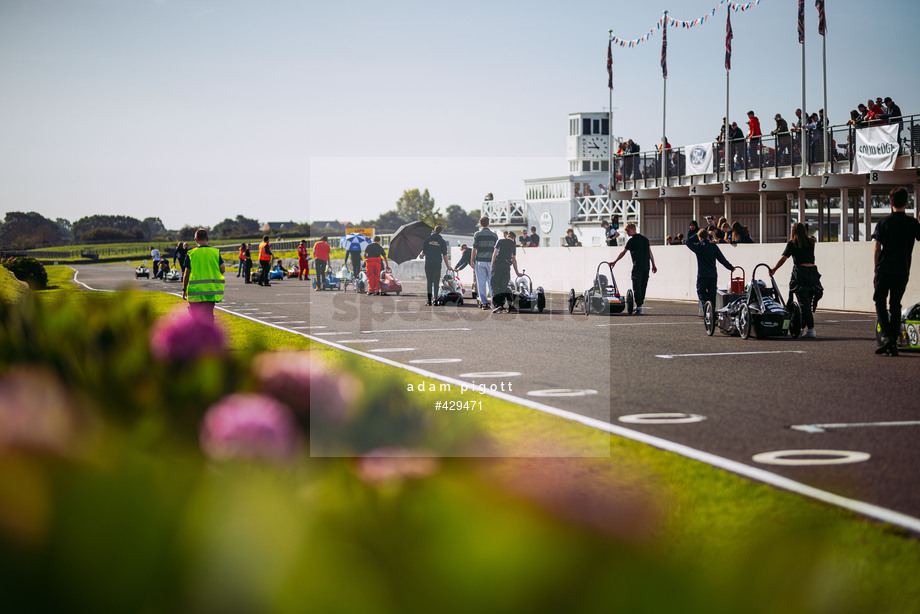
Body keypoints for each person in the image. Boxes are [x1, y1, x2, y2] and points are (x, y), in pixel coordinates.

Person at [872, 187, 920, 356]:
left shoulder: (883, 222)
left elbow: (877, 248)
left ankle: (887, 336)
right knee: (895, 304)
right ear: (907, 203)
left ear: (890, 202)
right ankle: (893, 338)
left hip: (884, 268)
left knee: (879, 300)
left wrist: (875, 270)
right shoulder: (913, 223)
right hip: (903, 269)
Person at [770, 222, 822, 338]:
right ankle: (803, 328)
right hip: (813, 273)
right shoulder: (811, 242)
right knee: (807, 302)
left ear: (793, 231)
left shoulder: (792, 243)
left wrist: (774, 269)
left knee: (804, 304)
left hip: (801, 273)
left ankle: (811, 329)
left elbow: (783, 258)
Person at [611, 223, 657, 315]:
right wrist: (653, 265)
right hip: (646, 266)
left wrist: (615, 261)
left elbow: (623, 252)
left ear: (633, 229)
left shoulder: (632, 241)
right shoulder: (645, 239)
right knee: (643, 286)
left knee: (637, 286)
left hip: (637, 267)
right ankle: (640, 305)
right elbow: (650, 253)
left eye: (627, 231)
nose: (627, 233)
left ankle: (639, 306)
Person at [182, 228, 225, 322]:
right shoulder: (215, 252)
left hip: (195, 292)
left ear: (195, 240)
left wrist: (184, 290)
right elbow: (222, 269)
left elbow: (186, 274)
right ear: (207, 238)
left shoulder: (191, 254)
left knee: (195, 319)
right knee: (209, 316)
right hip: (210, 291)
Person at [686, 228, 734, 311]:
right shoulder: (713, 246)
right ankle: (713, 315)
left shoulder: (698, 247)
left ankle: (706, 306)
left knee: (701, 291)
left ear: (700, 237)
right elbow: (722, 259)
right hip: (712, 274)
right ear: (708, 236)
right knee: (712, 296)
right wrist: (730, 267)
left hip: (703, 274)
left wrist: (697, 234)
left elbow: (687, 241)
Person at [490, 230, 521, 313]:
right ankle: (508, 304)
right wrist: (517, 272)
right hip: (506, 267)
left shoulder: (500, 241)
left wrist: (492, 265)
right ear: (513, 238)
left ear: (507, 236)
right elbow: (514, 259)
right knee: (504, 286)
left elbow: (494, 253)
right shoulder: (513, 245)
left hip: (497, 266)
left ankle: (498, 305)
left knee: (495, 285)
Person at [471, 216, 498, 310]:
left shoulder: (477, 234)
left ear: (481, 224)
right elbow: (496, 250)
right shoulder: (494, 235)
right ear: (488, 223)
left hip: (480, 261)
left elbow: (474, 249)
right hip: (491, 261)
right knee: (491, 282)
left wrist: (472, 260)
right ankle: (494, 301)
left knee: (481, 282)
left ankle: (484, 303)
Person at [421, 225, 451, 306]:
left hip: (429, 263)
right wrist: (448, 266)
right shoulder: (442, 241)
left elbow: (423, 253)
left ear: (434, 231)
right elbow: (445, 255)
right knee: (436, 282)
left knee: (429, 281)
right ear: (441, 231)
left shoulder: (427, 240)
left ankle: (429, 300)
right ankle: (435, 299)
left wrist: (421, 256)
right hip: (437, 263)